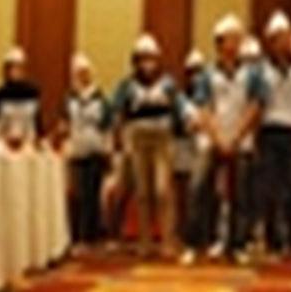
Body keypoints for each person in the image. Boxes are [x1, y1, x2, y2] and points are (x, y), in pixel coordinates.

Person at [236, 10, 291, 260]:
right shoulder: (260, 72)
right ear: (271, 42)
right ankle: (273, 241)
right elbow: (256, 107)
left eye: (288, 37)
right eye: (279, 38)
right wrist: (248, 137)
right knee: (268, 191)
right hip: (269, 132)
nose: (285, 42)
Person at [181, 14, 260, 265]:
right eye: (231, 39)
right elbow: (204, 109)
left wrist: (236, 137)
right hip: (212, 140)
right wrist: (218, 138)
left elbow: (255, 107)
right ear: (220, 43)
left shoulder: (251, 74)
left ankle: (237, 245)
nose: (236, 44)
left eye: (239, 39)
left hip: (241, 139)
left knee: (241, 194)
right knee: (198, 188)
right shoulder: (206, 75)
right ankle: (194, 244)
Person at [111, 33, 195, 257]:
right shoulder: (127, 86)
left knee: (161, 190)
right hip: (137, 141)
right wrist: (118, 139)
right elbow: (117, 112)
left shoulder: (167, 84)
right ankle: (145, 241)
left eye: (151, 58)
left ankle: (167, 238)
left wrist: (189, 120)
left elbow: (182, 106)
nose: (147, 64)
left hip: (162, 141)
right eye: (142, 59)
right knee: (142, 192)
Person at [59, 53, 112, 253]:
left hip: (95, 150)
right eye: (78, 73)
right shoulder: (69, 99)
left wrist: (108, 150)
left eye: (84, 72)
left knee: (93, 194)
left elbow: (107, 126)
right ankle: (79, 236)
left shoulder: (100, 99)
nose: (82, 76)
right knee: (79, 195)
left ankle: (92, 236)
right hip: (76, 151)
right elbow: (65, 124)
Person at [175, 49, 206, 239]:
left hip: (203, 146)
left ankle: (202, 230)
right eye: (192, 72)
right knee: (184, 191)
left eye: (199, 71)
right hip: (183, 147)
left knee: (201, 189)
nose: (196, 77)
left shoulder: (208, 95)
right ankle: (184, 229)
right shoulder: (180, 98)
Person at [0, 47, 43, 147]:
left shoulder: (32, 92)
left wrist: (40, 138)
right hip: (3, 144)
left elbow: (37, 122)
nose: (15, 71)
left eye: (19, 67)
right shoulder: (0, 93)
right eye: (12, 68)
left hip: (27, 144)